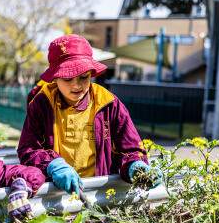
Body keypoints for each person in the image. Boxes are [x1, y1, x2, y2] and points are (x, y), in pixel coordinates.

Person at [18, 34, 162, 195]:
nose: (77, 84)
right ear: (55, 78)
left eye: (83, 77)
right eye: (68, 78)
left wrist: (136, 167)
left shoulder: (109, 103)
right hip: (53, 192)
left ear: (91, 74)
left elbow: (130, 149)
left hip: (100, 192)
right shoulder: (41, 104)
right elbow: (28, 149)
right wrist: (53, 165)